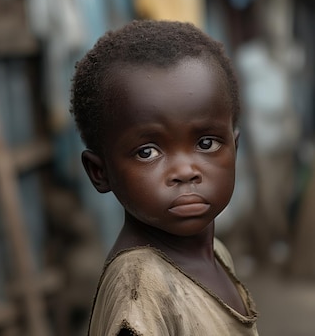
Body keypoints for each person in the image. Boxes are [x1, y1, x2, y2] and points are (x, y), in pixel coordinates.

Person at [70, 20, 259, 335]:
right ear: (100, 173)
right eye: (147, 152)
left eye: (206, 143)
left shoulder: (215, 254)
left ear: (234, 149)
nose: (185, 171)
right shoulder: (140, 288)